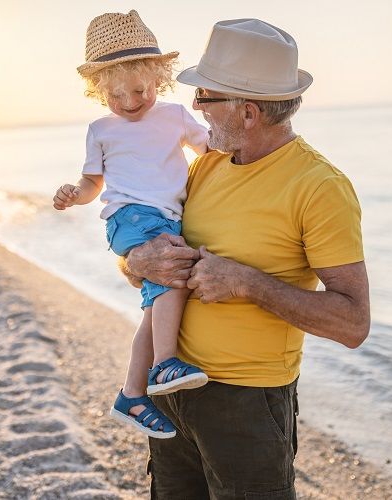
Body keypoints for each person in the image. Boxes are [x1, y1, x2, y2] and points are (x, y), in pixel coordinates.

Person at [123, 18, 371, 499]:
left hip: (248, 407)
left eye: (206, 97)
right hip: (170, 388)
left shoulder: (319, 187)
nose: (194, 107)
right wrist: (138, 263)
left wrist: (248, 283)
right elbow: (146, 269)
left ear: (249, 112)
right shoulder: (206, 164)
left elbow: (353, 324)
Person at [52, 10, 210, 440]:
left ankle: (131, 394)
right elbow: (92, 182)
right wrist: (74, 194)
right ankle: (165, 365)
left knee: (152, 311)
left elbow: (211, 150)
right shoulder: (102, 129)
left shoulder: (175, 115)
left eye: (139, 90)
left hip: (163, 216)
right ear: (98, 92)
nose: (128, 103)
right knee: (172, 275)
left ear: (158, 77)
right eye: (115, 96)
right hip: (129, 217)